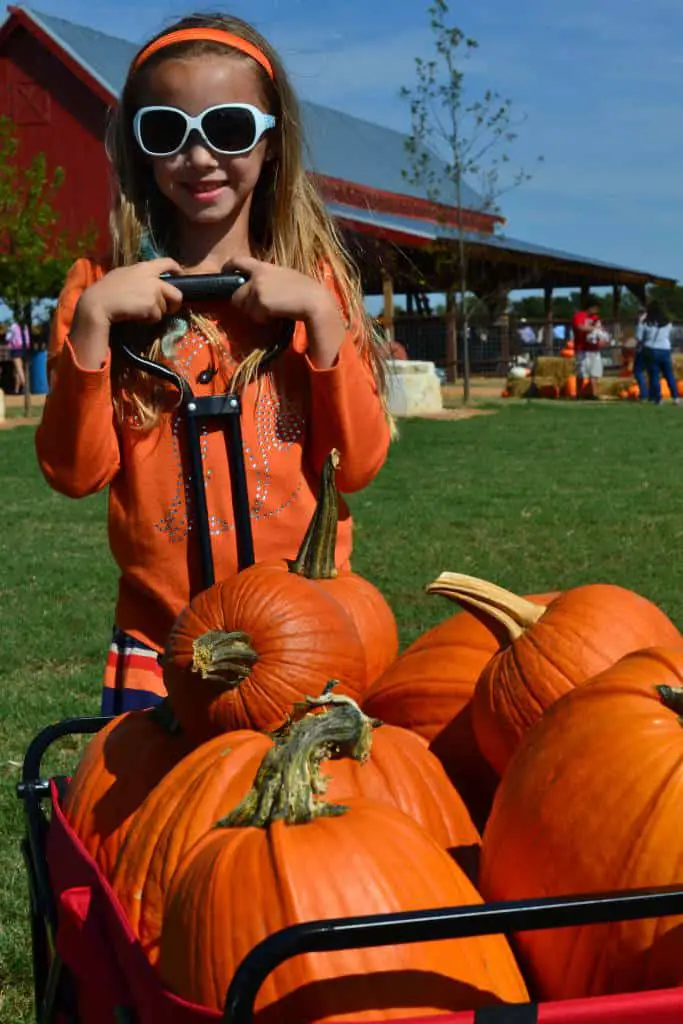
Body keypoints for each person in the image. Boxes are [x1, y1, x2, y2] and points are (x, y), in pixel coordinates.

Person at [35, 13, 392, 715]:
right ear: (140, 152)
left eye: (227, 130)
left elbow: (355, 466)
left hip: (304, 625)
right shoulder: (96, 289)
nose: (199, 157)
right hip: (161, 637)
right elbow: (73, 473)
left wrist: (319, 320)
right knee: (161, 817)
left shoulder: (313, 284)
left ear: (269, 144)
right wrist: (93, 327)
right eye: (167, 132)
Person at [637, 300, 679, 405]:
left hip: (651, 349)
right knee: (669, 374)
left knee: (654, 375)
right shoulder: (667, 322)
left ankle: (658, 398)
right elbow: (669, 334)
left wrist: (639, 322)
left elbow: (638, 337)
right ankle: (676, 397)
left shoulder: (646, 322)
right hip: (665, 349)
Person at [572, 300, 605, 399]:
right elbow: (580, 327)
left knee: (595, 372)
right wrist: (594, 328)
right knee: (581, 372)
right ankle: (578, 393)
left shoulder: (596, 318)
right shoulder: (579, 316)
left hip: (594, 349)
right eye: (595, 308)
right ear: (589, 307)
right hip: (582, 348)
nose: (597, 310)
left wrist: (601, 338)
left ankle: (594, 394)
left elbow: (600, 330)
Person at [6, 319, 30, 394]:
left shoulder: (13, 326)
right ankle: (16, 390)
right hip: (24, 348)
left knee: (19, 369)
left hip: (15, 348)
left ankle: (25, 386)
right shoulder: (25, 326)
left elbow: (7, 337)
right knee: (16, 370)